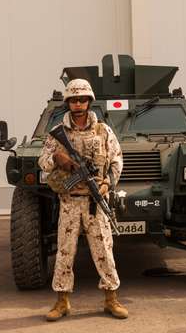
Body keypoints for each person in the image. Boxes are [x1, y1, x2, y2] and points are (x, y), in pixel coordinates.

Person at [38, 78, 128, 321]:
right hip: (69, 201)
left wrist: (108, 181)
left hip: (95, 203)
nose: (78, 103)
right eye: (73, 100)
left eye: (82, 99)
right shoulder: (58, 133)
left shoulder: (103, 131)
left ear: (89, 101)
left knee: (104, 252)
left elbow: (117, 159)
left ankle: (111, 299)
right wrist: (59, 159)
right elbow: (43, 162)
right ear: (68, 102)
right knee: (65, 253)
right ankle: (62, 302)